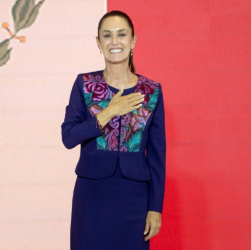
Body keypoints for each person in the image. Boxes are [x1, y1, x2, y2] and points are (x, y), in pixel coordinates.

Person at [61, 10, 166, 250]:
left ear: (133, 41)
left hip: (135, 200)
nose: (115, 42)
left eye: (121, 35)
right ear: (98, 43)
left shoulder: (151, 91)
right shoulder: (85, 85)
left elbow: (158, 157)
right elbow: (68, 137)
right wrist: (109, 111)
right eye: (107, 36)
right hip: (92, 197)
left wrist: (155, 207)